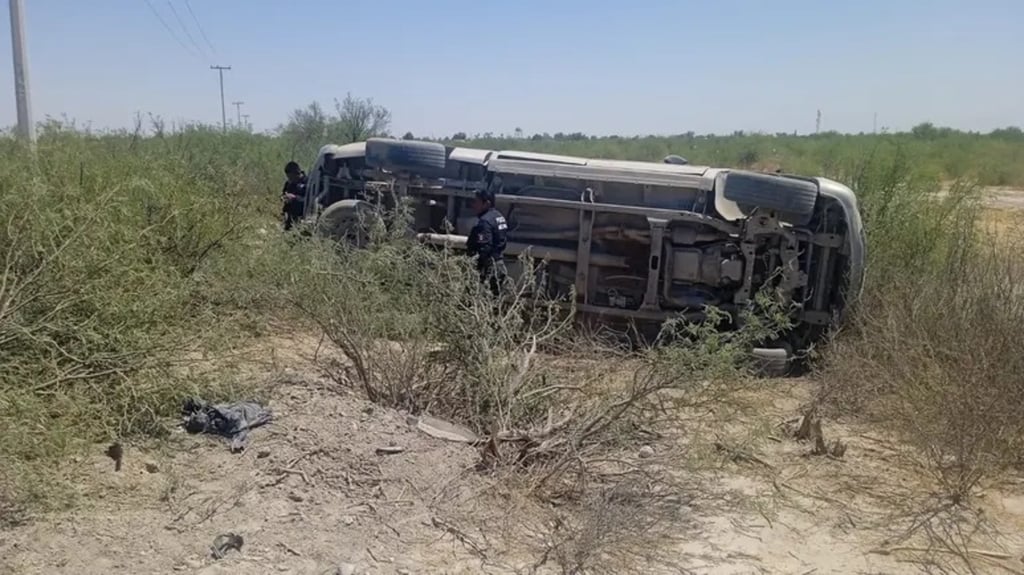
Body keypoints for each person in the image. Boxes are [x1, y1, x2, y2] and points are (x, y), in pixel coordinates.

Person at [465, 187, 508, 295]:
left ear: (487, 203)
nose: (474, 205)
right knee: (496, 301)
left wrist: (477, 269)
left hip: (490, 267)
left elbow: (485, 246)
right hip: (499, 264)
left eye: (477, 202)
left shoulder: (485, 222)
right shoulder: (499, 216)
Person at [281, 161, 308, 231]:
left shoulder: (307, 182)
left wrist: (295, 198)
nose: (290, 179)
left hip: (302, 216)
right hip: (289, 216)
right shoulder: (289, 183)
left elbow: (309, 200)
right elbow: (283, 193)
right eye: (288, 177)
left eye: (291, 177)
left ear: (297, 173)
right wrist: (284, 197)